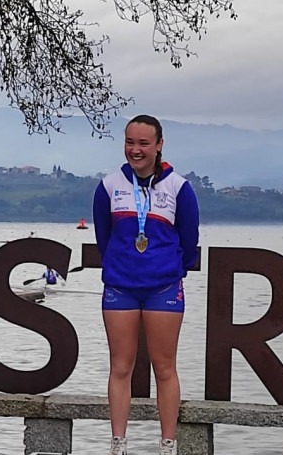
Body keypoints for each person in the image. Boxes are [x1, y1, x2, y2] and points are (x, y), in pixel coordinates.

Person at [92, 114, 199, 455]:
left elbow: (189, 241)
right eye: (130, 142)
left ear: (159, 145)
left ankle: (168, 444)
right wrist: (119, 267)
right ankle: (118, 443)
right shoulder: (109, 186)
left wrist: (167, 270)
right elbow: (103, 238)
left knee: (164, 367)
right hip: (120, 287)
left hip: (163, 288)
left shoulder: (179, 188)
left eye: (143, 143)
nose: (135, 150)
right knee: (120, 366)